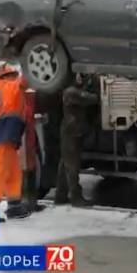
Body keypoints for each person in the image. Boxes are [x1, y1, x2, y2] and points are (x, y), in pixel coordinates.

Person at [0, 63, 32, 221]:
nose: (15, 77)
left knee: (13, 173)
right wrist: (29, 65)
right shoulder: (5, 87)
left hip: (8, 137)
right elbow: (23, 82)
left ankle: (14, 207)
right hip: (4, 136)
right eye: (13, 74)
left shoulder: (3, 88)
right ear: (4, 77)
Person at [55, 73, 99, 207]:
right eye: (78, 76)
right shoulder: (71, 92)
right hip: (72, 132)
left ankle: (60, 196)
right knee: (72, 166)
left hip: (73, 131)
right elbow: (92, 99)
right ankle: (76, 197)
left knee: (66, 165)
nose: (80, 78)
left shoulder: (72, 91)